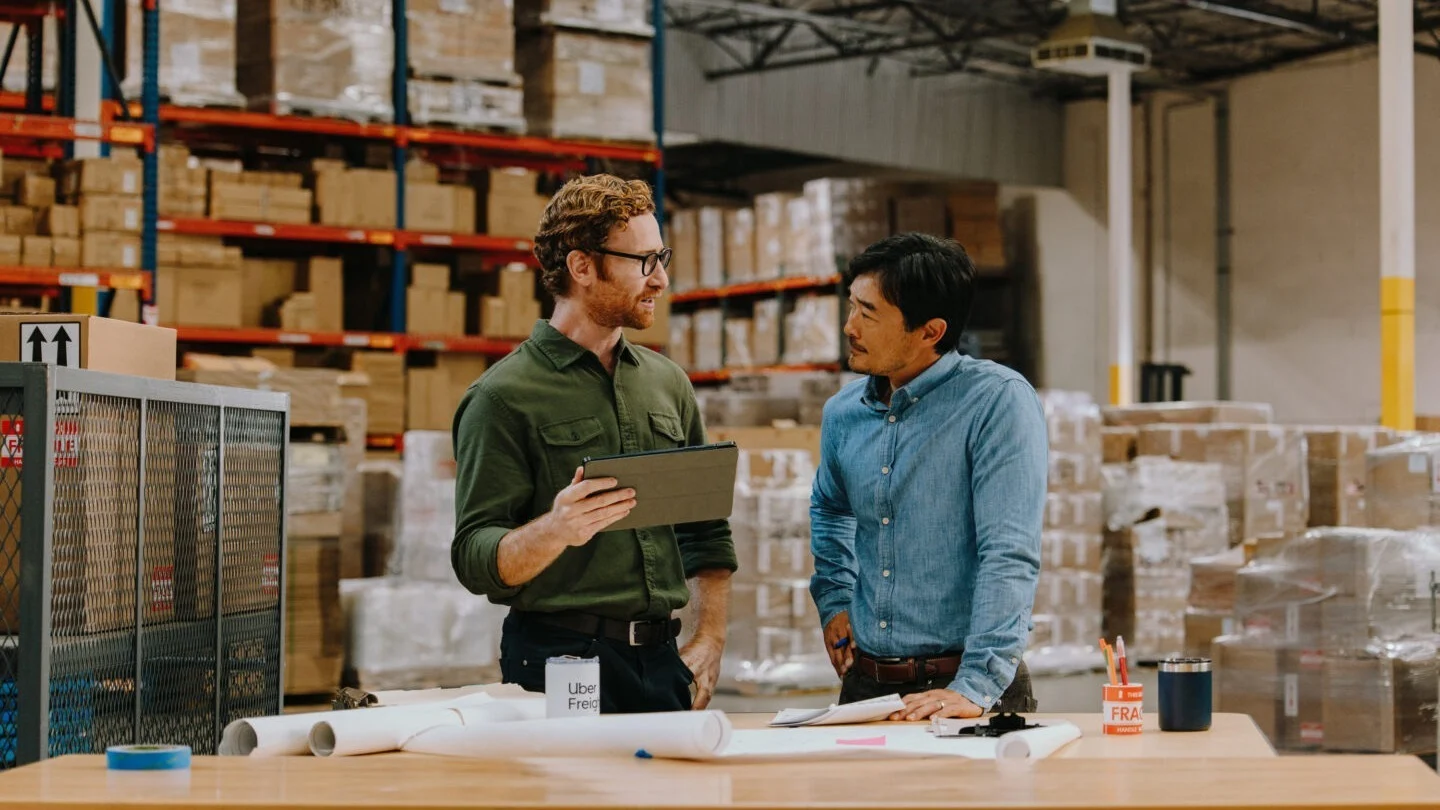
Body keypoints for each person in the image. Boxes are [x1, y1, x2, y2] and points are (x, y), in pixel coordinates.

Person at [450, 174, 736, 713]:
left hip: (661, 660)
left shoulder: (666, 382)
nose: (662, 280)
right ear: (582, 267)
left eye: (661, 258)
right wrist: (554, 530)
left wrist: (710, 636)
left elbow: (706, 527)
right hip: (560, 659)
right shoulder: (502, 397)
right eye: (643, 262)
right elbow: (474, 556)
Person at [809, 232, 1046, 721]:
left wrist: (976, 685)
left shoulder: (996, 403)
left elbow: (1008, 551)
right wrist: (834, 598)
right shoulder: (843, 413)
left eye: (868, 313)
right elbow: (830, 508)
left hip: (969, 691)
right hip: (867, 686)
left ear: (930, 331)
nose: (849, 326)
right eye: (851, 306)